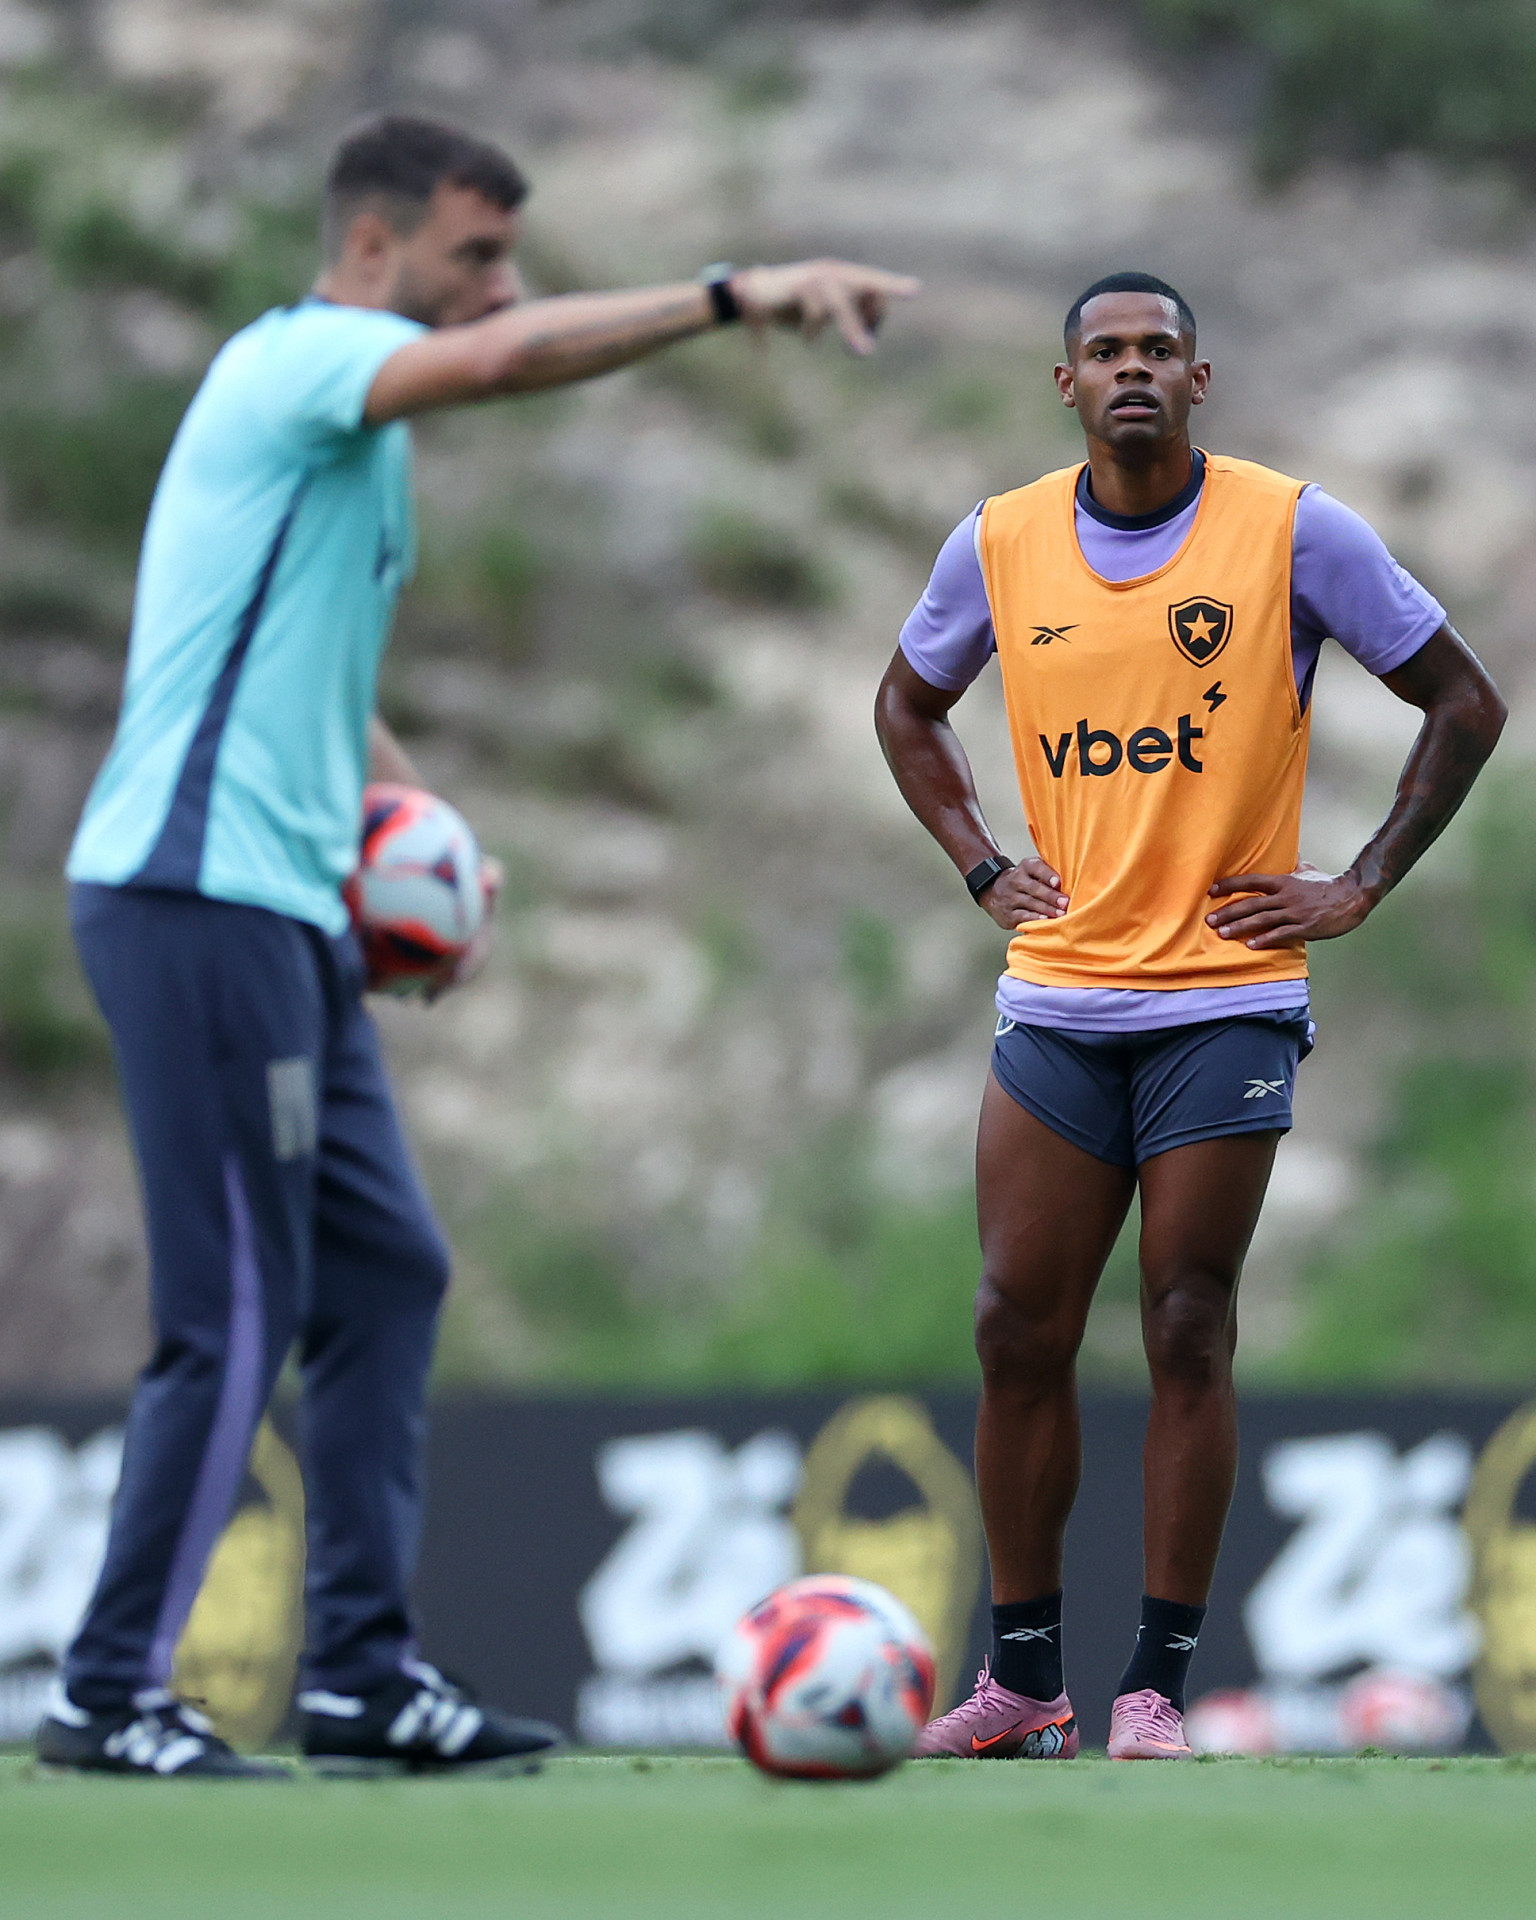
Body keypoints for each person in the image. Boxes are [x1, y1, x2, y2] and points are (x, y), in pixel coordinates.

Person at [39, 113, 918, 1779]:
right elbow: (512, 367)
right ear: (372, 251)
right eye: (475, 259)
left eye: (509, 263)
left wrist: (426, 829)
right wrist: (736, 295)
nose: (499, 292)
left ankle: (363, 1678)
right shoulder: (297, 363)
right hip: (190, 897)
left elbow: (296, 674)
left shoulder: (345, 452)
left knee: (385, 1274)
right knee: (227, 1309)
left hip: (287, 912)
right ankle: (107, 1690)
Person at [875, 271, 1504, 1761]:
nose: (1135, 370)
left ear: (1201, 381)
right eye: (1107, 352)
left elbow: (1464, 702)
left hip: (1225, 996)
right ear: (1067, 385)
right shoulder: (1004, 540)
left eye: (1161, 349)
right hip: (1062, 999)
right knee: (1013, 1325)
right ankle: (1025, 1682)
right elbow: (907, 706)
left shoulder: (1292, 530)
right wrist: (977, 861)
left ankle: (1154, 1685)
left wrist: (1356, 885)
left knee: (1185, 1321)